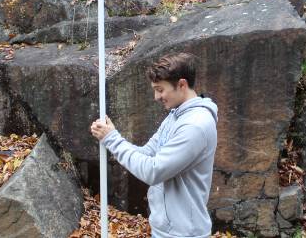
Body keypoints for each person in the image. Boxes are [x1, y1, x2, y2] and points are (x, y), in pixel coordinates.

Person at [90, 52, 218, 238]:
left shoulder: (195, 126)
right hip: (166, 230)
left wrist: (113, 139)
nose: (156, 97)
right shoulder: (175, 116)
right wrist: (110, 136)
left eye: (160, 89)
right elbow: (147, 153)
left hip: (184, 234)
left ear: (181, 84)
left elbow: (153, 171)